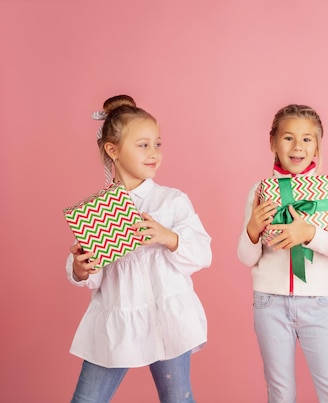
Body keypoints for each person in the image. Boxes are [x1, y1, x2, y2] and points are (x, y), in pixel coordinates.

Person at [66, 95, 212, 402]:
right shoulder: (99, 211)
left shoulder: (171, 201)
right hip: (118, 320)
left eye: (157, 144)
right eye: (142, 145)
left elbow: (202, 253)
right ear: (113, 150)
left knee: (178, 398)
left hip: (167, 319)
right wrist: (80, 268)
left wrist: (167, 237)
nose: (154, 153)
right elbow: (94, 276)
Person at [237, 104, 328, 403]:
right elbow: (247, 257)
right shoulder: (260, 190)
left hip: (317, 304)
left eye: (307, 139)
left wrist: (309, 234)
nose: (298, 146)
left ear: (317, 146)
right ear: (272, 142)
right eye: (288, 138)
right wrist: (252, 229)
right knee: (280, 393)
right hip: (269, 303)